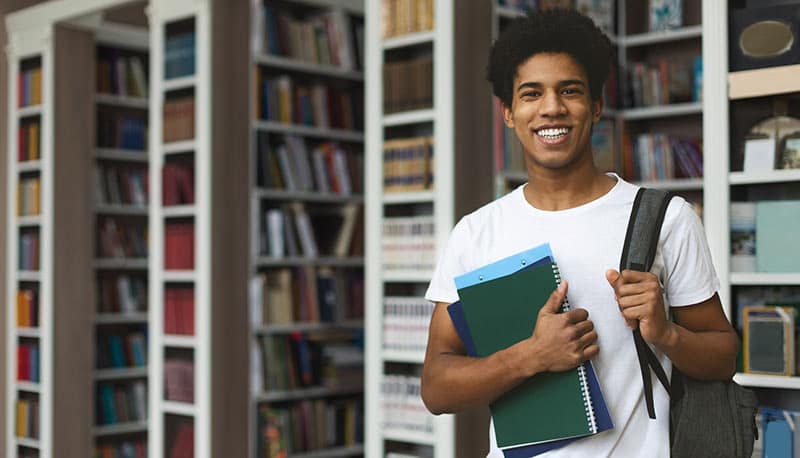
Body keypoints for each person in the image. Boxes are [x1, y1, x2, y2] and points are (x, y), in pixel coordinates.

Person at [420, 8, 738, 458]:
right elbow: (436, 389)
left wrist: (666, 334)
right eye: (531, 94)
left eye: (569, 90)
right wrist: (532, 355)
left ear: (596, 106)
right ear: (509, 113)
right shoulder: (476, 233)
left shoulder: (665, 217)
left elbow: (724, 355)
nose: (552, 107)